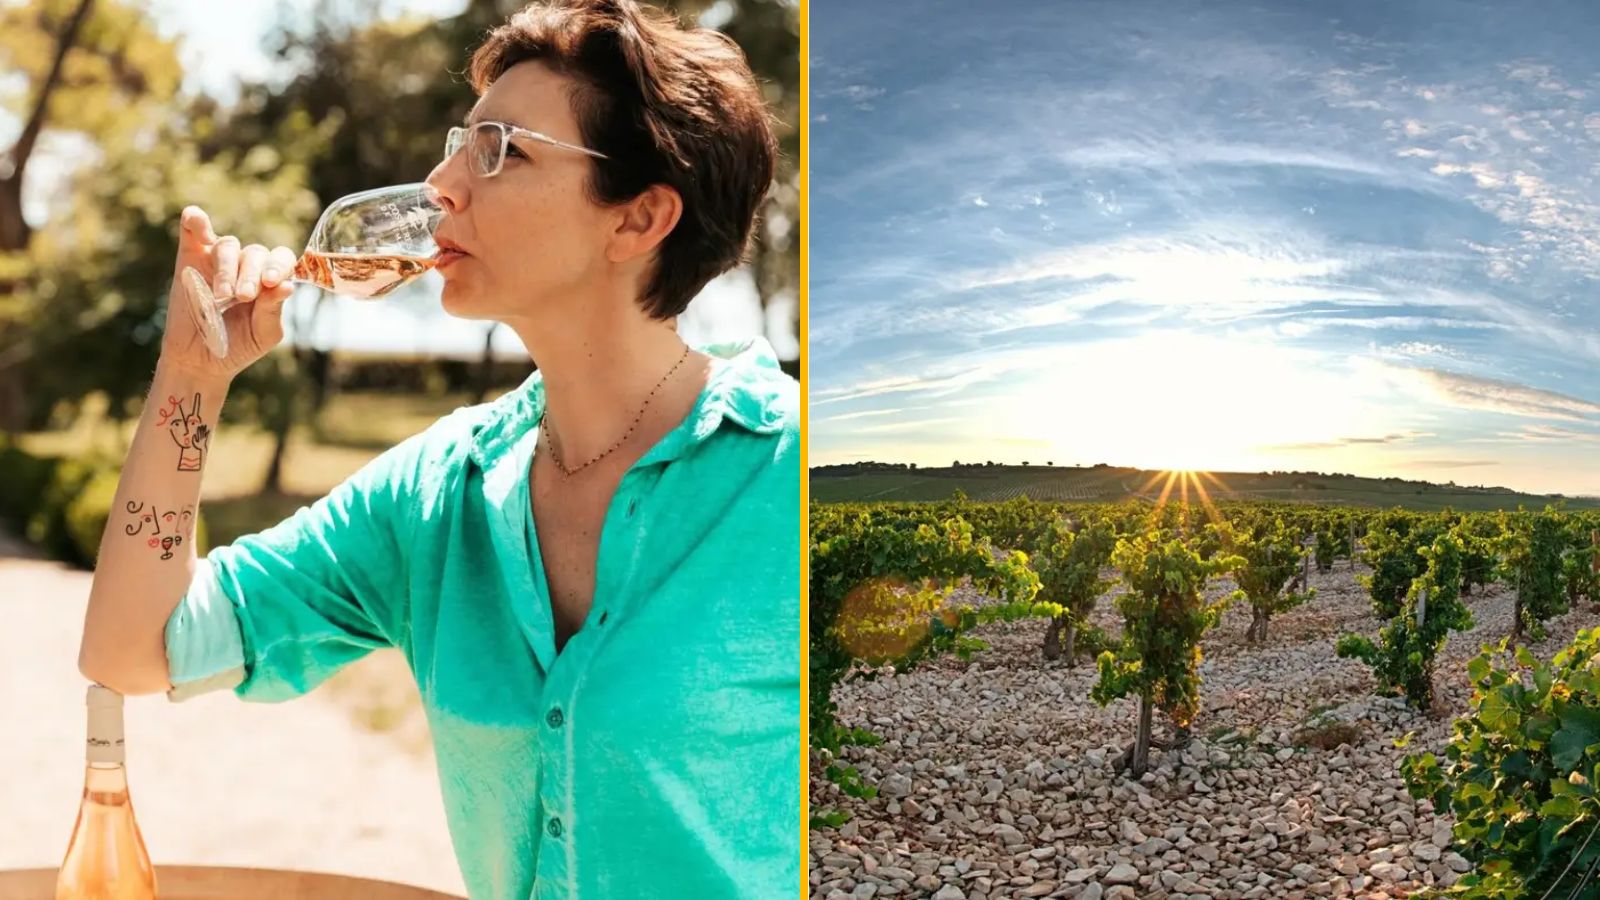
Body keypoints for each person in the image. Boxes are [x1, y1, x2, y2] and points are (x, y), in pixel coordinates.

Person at [75, 1, 800, 898]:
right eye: (461, 142)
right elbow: (134, 650)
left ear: (637, 220)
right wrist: (191, 380)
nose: (440, 183)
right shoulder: (436, 495)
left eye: (501, 151)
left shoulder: (796, 480)